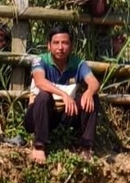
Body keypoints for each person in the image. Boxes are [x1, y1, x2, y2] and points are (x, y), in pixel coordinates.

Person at [25, 25, 101, 162]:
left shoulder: (78, 63)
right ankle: (39, 146)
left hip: (64, 114)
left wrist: (89, 92)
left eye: (65, 43)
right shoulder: (40, 60)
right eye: (56, 43)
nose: (60, 47)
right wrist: (63, 95)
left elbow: (94, 82)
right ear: (49, 45)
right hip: (39, 115)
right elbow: (40, 81)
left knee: (92, 98)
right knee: (43, 95)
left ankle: (86, 147)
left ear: (71, 46)